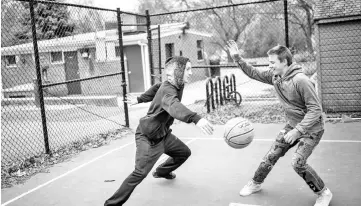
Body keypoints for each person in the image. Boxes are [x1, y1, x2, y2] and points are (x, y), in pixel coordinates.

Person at [226, 41, 332, 206]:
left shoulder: (301, 81)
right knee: (272, 155)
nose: (270, 66)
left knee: (297, 163)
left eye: (272, 62)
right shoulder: (276, 77)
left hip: (312, 129)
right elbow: (253, 73)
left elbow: (316, 110)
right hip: (292, 125)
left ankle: (323, 192)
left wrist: (297, 131)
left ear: (284, 62)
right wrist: (237, 58)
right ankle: (256, 182)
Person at [104, 56, 214, 206]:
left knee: (184, 153)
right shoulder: (169, 91)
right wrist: (196, 118)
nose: (191, 73)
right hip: (148, 138)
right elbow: (173, 105)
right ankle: (111, 204)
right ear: (177, 72)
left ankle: (161, 172)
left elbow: (157, 87)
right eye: (188, 69)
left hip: (163, 135)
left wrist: (140, 98)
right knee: (140, 173)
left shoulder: (175, 84)